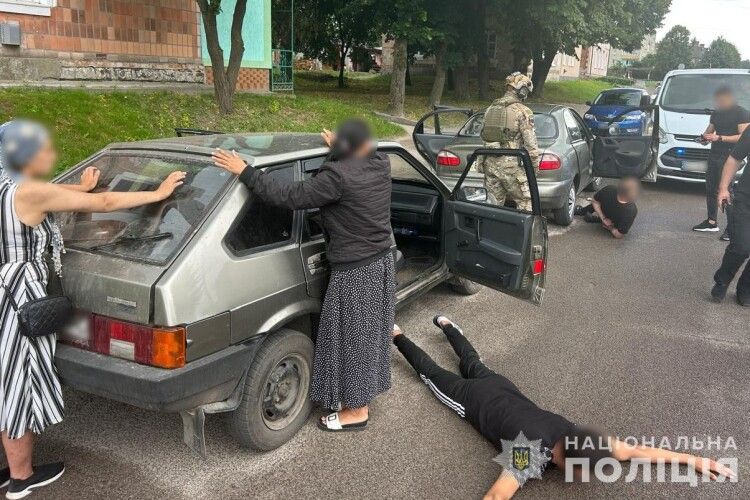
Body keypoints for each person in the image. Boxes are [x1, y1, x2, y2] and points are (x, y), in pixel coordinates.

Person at [0, 120, 184, 498]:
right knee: (18, 382)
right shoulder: (28, 191)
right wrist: (158, 192)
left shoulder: (7, 183)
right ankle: (21, 477)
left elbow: (49, 194)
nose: (49, 155)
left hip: (3, 288)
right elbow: (105, 203)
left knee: (4, 377)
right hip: (20, 294)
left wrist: (79, 186)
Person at [392, 317, 735, 500]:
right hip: (474, 398)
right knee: (432, 374)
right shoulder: (528, 454)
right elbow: (497, 495)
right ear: (559, 459)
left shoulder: (583, 440)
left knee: (471, 358)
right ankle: (397, 335)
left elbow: (638, 451)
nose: (581, 478)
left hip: (503, 387)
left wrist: (697, 461)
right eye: (580, 473)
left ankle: (448, 325)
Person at [212, 120, 394, 431]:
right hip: (380, 262)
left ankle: (357, 412)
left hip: (356, 270)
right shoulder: (380, 162)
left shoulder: (338, 177)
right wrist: (339, 148)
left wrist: (245, 171)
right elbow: (348, 165)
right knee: (368, 335)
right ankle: (355, 395)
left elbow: (289, 196)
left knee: (354, 341)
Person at [476, 72, 540, 211]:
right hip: (511, 166)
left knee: (491, 206)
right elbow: (531, 144)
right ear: (522, 90)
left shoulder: (490, 109)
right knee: (527, 203)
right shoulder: (523, 111)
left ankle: (490, 231)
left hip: (490, 164)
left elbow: (483, 136)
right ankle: (525, 232)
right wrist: (534, 169)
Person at [692, 86, 750, 239]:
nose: (719, 102)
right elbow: (709, 131)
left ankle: (732, 230)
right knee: (711, 189)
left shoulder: (741, 113)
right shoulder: (716, 113)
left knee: (726, 192)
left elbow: (744, 138)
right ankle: (711, 222)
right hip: (714, 155)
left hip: (730, 156)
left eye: (722, 99)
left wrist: (720, 138)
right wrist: (704, 138)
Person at [712, 125, 750, 306]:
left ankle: (745, 288)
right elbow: (734, 158)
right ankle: (723, 279)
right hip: (746, 198)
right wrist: (723, 189)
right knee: (742, 246)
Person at [574, 177, 640, 239]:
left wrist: (609, 226)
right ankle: (586, 214)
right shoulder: (632, 210)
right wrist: (604, 219)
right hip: (609, 216)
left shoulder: (609, 189)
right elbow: (619, 234)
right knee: (598, 202)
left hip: (613, 222)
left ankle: (587, 215)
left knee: (598, 202)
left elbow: (619, 234)